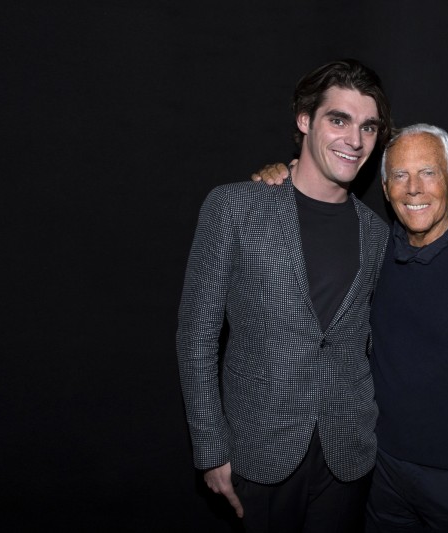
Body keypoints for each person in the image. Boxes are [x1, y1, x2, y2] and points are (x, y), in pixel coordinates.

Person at [253, 123, 448, 532]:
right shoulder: (374, 251)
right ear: (386, 190)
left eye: (428, 172)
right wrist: (279, 175)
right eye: (400, 176)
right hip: (381, 470)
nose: (414, 188)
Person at [176, 58, 392, 533]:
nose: (355, 140)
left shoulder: (376, 234)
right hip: (258, 451)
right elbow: (196, 335)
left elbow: (367, 340)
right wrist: (211, 449)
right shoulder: (234, 206)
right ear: (304, 120)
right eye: (339, 119)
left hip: (348, 455)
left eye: (368, 126)